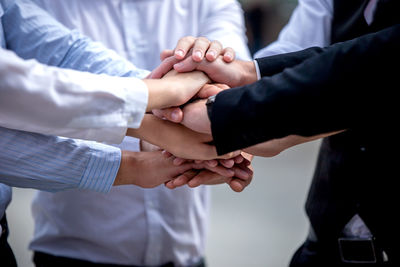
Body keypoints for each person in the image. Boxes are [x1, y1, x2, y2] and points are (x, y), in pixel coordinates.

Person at [153, 0, 400, 265]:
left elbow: (378, 66)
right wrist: (241, 75)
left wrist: (225, 112)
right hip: (326, 244)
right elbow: (305, 48)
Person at [0, 0, 243, 266]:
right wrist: (157, 101)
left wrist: (177, 111)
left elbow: (66, 51)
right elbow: (16, 89)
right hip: (75, 252)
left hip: (185, 252)